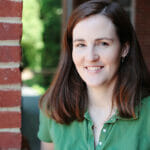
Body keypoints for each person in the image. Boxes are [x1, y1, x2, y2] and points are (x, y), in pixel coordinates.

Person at [38, 0, 150, 150]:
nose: (90, 57)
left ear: (124, 48)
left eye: (103, 43)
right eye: (81, 45)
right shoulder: (52, 108)